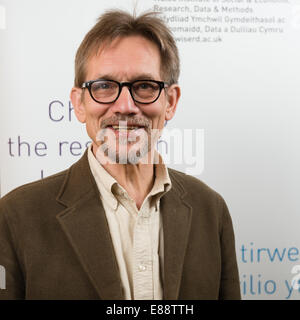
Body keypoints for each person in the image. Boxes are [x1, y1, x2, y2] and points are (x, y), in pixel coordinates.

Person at [0, 9, 240, 300]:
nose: (125, 105)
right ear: (78, 103)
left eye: (144, 86)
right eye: (103, 86)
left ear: (171, 102)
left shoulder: (211, 211)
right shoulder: (15, 216)